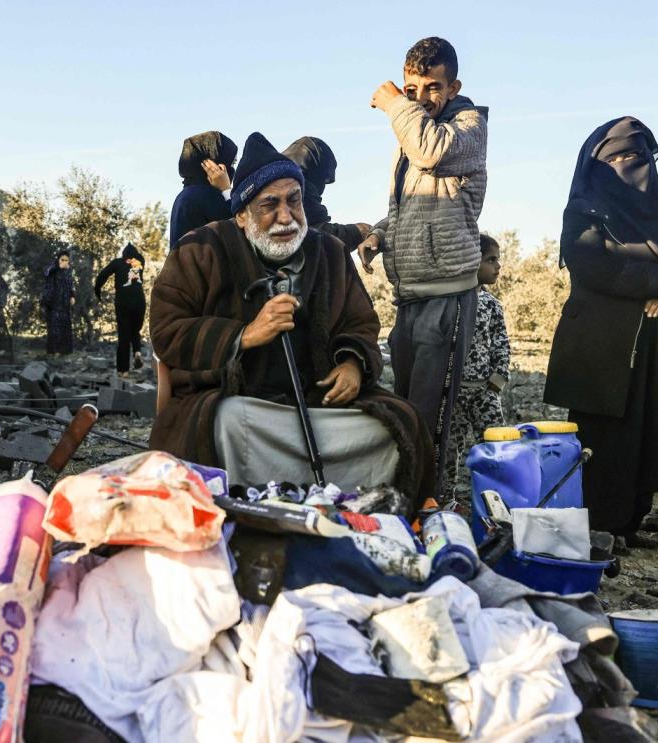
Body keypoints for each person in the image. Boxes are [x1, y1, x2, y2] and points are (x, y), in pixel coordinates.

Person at [150, 133, 434, 514]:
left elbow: (360, 322)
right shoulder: (199, 250)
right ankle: (251, 513)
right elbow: (168, 330)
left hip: (319, 407)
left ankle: (352, 510)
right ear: (240, 214)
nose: (286, 216)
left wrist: (352, 364)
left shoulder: (329, 252)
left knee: (400, 427)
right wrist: (244, 335)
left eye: (294, 201)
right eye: (269, 204)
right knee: (227, 425)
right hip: (245, 407)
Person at [544, 116, 658, 551]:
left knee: (646, 428)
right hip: (602, 342)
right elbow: (594, 266)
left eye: (634, 155)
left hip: (655, 339)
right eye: (614, 157)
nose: (625, 164)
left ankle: (632, 521)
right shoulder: (584, 210)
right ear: (596, 164)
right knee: (601, 434)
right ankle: (599, 524)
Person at [355, 37, 489, 497]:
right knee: (408, 408)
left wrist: (394, 104)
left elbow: (431, 152)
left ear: (453, 87)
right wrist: (379, 233)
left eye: (432, 87)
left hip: (447, 295)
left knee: (433, 417)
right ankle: (408, 497)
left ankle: (431, 503)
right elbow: (413, 205)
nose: (421, 98)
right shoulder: (414, 129)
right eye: (411, 88)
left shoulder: (467, 129)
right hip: (410, 295)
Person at [447, 234, 510, 497]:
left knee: (495, 445)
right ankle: (444, 499)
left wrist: (498, 378)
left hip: (484, 391)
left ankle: (498, 498)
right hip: (454, 392)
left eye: (498, 260)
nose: (497, 266)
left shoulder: (492, 304)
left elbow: (501, 343)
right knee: (449, 450)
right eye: (491, 260)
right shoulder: (451, 301)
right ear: (473, 261)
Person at [282, 136, 371, 249]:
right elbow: (316, 236)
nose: (323, 186)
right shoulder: (294, 186)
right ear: (316, 171)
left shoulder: (270, 179)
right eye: (324, 179)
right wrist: (358, 232)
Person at [169, 131, 237, 251]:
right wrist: (226, 190)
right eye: (232, 163)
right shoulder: (205, 196)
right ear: (214, 165)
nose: (231, 170)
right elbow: (238, 233)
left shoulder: (187, 195)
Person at [94, 242, 146, 376]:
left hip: (123, 302)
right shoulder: (140, 263)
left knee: (124, 335)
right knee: (135, 330)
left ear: (124, 255)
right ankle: (137, 352)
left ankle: (123, 371)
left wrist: (97, 290)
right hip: (140, 302)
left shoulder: (117, 263)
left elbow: (103, 275)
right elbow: (139, 257)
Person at [42, 250, 76, 355]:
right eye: (62, 259)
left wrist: (72, 296)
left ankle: (64, 351)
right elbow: (46, 273)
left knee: (65, 325)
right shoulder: (52, 268)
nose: (65, 262)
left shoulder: (68, 272)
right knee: (54, 327)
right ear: (58, 259)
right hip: (53, 303)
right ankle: (53, 352)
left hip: (64, 303)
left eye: (66, 260)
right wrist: (58, 266)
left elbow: (71, 285)